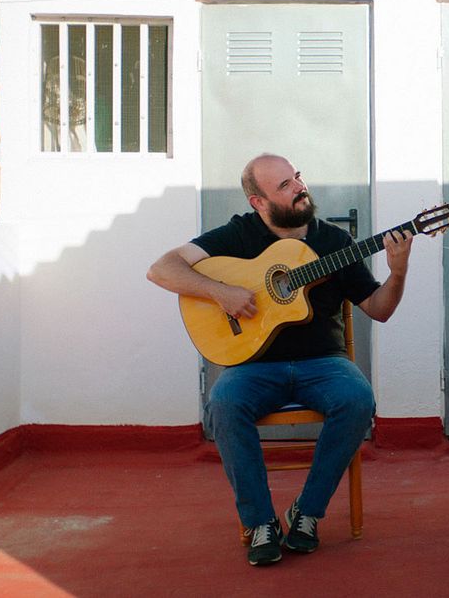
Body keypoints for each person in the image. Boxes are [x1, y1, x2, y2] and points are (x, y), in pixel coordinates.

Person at [147, 153, 413, 567]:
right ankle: (260, 522)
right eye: (284, 186)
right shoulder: (238, 236)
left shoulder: (334, 244)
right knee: (223, 404)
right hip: (253, 366)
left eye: (298, 178)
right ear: (258, 202)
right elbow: (161, 269)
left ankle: (306, 513)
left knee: (358, 399)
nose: (299, 188)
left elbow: (378, 309)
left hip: (323, 362)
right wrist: (221, 292)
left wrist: (397, 272)